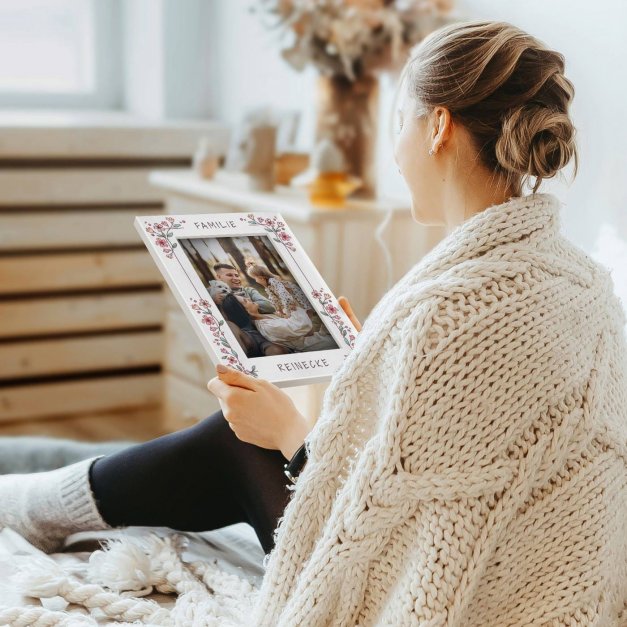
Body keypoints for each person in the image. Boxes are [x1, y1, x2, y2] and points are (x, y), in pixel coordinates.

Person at [1, 19, 626, 626]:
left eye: (400, 124)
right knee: (241, 436)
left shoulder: (444, 311)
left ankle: (29, 505)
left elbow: (391, 536)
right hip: (551, 584)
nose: (397, 153)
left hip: (456, 599)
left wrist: (290, 433)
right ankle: (38, 501)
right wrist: (365, 368)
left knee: (236, 440)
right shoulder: (588, 286)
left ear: (437, 126)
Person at [235, 294, 338, 352]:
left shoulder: (264, 316)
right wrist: (296, 308)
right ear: (245, 311)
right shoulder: (267, 327)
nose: (249, 298)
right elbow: (301, 326)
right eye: (245, 301)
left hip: (315, 336)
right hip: (315, 345)